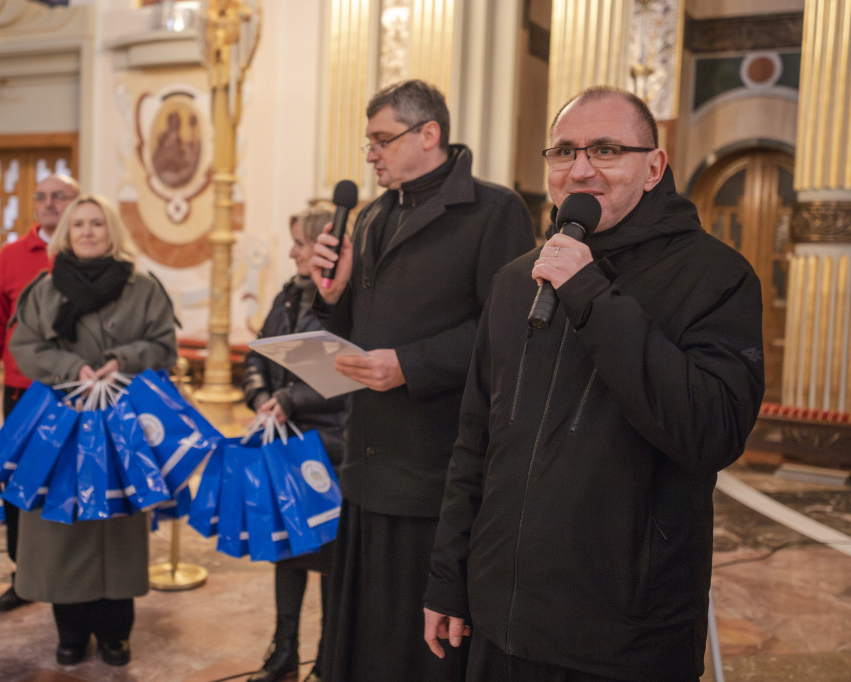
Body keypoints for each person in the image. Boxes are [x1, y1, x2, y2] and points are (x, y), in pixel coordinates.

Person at [423, 86, 766, 681]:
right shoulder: (515, 282)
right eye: (563, 152)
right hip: (501, 618)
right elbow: (476, 442)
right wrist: (450, 578)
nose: (580, 170)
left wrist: (589, 295)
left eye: (606, 150)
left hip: (625, 630)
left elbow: (709, 432)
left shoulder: (718, 277)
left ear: (654, 167)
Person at [309, 79, 535, 680]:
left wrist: (410, 365)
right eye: (369, 142)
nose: (371, 154)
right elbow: (358, 326)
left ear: (429, 133)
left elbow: (507, 334)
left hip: (435, 468)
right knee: (362, 638)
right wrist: (330, 299)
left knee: (418, 647)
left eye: (382, 139)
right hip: (366, 460)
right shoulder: (373, 215)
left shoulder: (494, 210)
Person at [9, 194, 177, 667]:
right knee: (64, 527)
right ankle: (71, 631)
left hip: (122, 424)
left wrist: (120, 361)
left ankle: (115, 633)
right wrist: (72, 366)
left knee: (117, 526)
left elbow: (164, 345)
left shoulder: (143, 287)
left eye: (96, 224)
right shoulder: (44, 290)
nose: (86, 231)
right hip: (62, 425)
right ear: (65, 232)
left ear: (111, 232)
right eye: (77, 224)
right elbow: (24, 346)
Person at [0, 173, 80, 613]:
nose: (49, 204)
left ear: (79, 203)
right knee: (20, 485)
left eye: (59, 196)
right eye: (41, 197)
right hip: (24, 394)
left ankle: (74, 578)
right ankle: (22, 575)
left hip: (81, 395)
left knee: (71, 485)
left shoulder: (90, 253)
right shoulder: (11, 256)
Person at [242, 206, 346, 682]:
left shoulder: (344, 302)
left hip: (328, 443)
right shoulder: (288, 294)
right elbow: (258, 352)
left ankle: (328, 657)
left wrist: (288, 396)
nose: (291, 252)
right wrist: (263, 396)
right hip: (284, 438)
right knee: (287, 550)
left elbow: (344, 373)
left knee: (327, 555)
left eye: (300, 244)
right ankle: (284, 650)